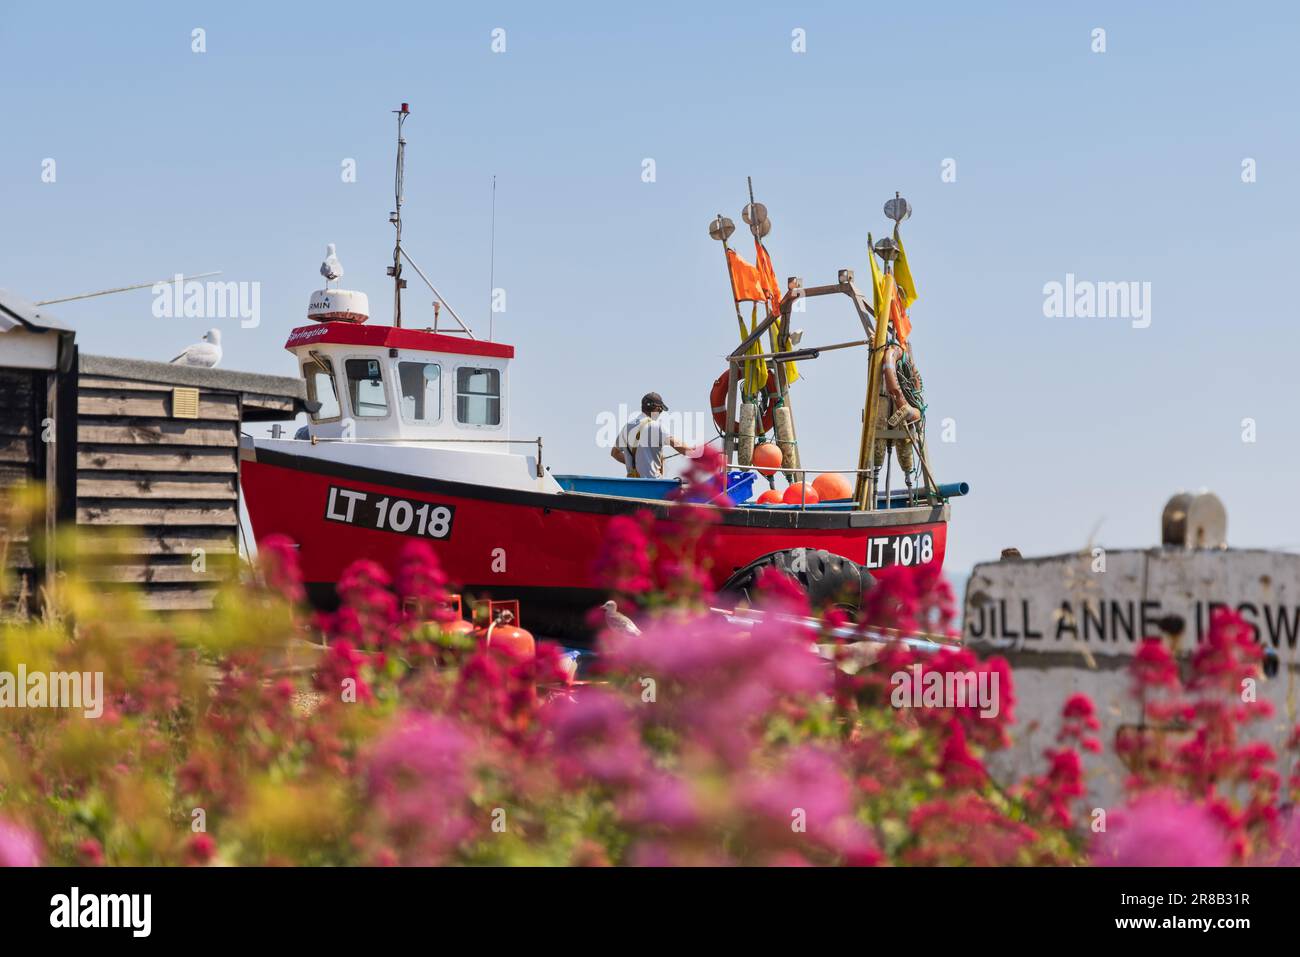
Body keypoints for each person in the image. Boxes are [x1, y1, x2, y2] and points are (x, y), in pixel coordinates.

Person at [611, 392, 694, 478]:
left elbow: (614, 453)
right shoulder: (656, 426)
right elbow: (679, 446)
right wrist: (695, 452)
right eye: (661, 409)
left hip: (632, 485)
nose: (660, 413)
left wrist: (636, 462)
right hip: (652, 484)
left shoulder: (627, 427)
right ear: (657, 408)